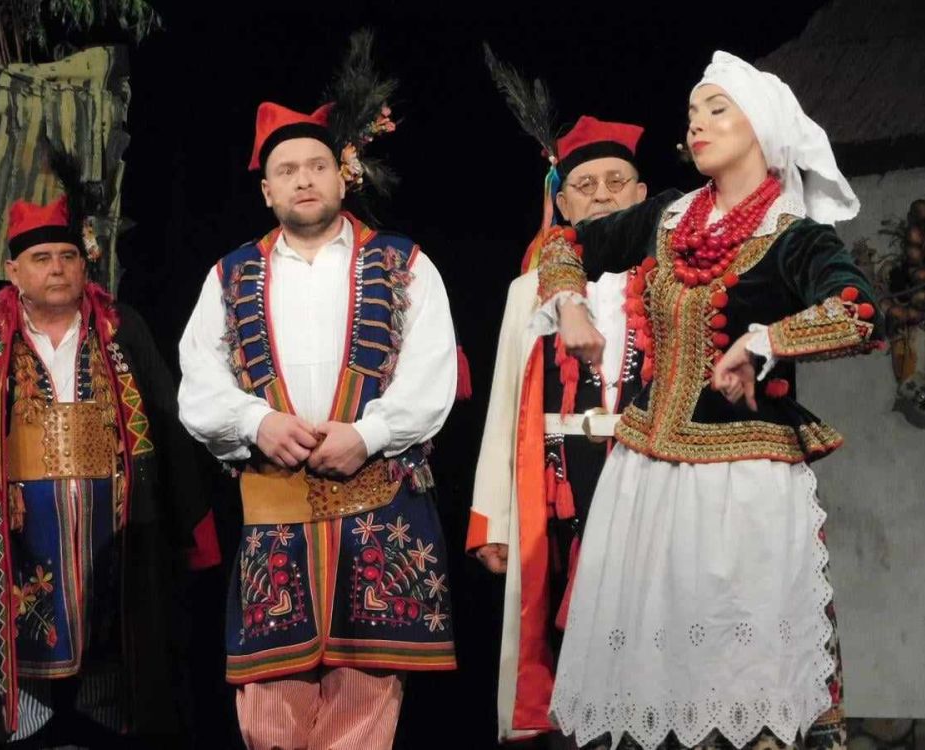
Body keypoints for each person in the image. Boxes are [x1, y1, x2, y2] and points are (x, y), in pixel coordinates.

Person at [535, 51, 882, 750]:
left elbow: (858, 312)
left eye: (716, 110)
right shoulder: (666, 218)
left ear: (760, 126)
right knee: (648, 680)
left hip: (744, 483)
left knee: (741, 670)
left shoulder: (794, 237)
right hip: (646, 476)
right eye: (692, 113)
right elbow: (564, 245)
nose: (696, 124)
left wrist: (763, 341)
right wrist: (570, 307)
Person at [177, 32, 458, 750]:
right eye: (286, 170)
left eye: (316, 166)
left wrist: (368, 434)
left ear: (343, 176)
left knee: (365, 712)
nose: (303, 180)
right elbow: (199, 382)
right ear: (266, 190)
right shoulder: (231, 274)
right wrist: (255, 423)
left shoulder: (403, 263)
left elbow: (432, 373)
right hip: (276, 510)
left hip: (377, 511)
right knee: (269, 713)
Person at [0, 172, 220, 748]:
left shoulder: (122, 331)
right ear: (14, 270)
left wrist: (194, 526)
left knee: (115, 653)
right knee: (19, 660)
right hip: (17, 538)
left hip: (111, 533)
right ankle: (26, 723)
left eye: (68, 256)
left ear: (85, 265)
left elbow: (167, 423)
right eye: (41, 259)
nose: (57, 269)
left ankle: (103, 718)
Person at [468, 107, 650, 744]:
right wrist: (492, 518)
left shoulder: (673, 280)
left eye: (616, 182)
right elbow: (503, 404)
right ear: (563, 203)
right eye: (585, 185)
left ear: (643, 195)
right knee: (566, 646)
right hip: (562, 481)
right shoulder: (530, 291)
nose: (602, 195)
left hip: (651, 475)